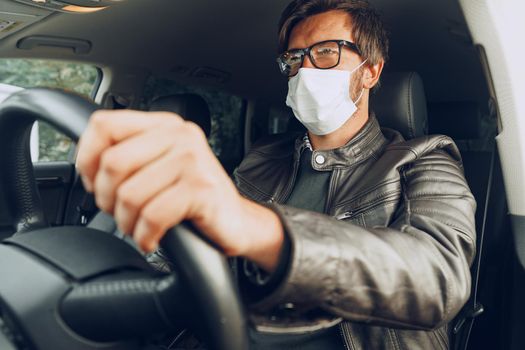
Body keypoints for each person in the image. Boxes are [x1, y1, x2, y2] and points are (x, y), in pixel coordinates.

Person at [76, 0, 476, 348]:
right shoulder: (263, 158)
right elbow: (182, 255)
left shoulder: (425, 159)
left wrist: (257, 228)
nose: (305, 69)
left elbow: (439, 277)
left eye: (326, 52)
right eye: (294, 58)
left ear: (370, 72)